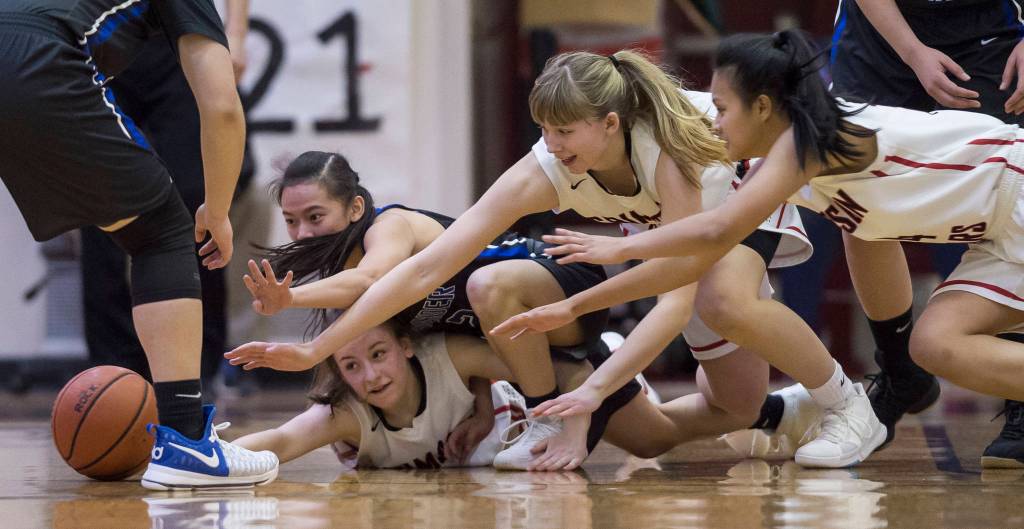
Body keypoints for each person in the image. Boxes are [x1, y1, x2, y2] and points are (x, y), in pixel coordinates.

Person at [228, 50, 883, 469]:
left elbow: (676, 293)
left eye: (564, 131)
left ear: (609, 125)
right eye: (544, 129)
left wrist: (592, 391)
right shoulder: (547, 165)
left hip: (743, 195)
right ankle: (781, 409)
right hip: (656, 248)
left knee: (723, 298)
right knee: (728, 407)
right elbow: (423, 271)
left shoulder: (671, 155)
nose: (552, 144)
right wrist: (315, 350)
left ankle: (848, 403)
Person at [510, 29, 1024, 468]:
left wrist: (615, 251)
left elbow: (712, 232)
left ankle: (852, 407)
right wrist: (576, 305)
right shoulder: (781, 158)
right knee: (934, 346)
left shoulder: (811, 141)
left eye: (723, 109)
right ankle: (854, 398)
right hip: (999, 239)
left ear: (762, 107)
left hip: (1017, 191)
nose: (714, 122)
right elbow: (695, 252)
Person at [0, 0, 277, 489]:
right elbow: (221, 107)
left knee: (128, 223)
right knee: (163, 232)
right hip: (37, 61)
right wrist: (216, 212)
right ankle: (187, 441)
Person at [242, 150, 629, 470]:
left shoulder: (389, 226)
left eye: (315, 216)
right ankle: (606, 369)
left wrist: (290, 299)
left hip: (565, 284)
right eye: (291, 221)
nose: (303, 233)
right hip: (528, 337)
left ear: (356, 207)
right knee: (650, 437)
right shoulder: (341, 273)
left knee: (485, 286)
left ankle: (545, 417)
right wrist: (482, 409)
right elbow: (458, 332)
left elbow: (370, 279)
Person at [822, 0, 1024, 449]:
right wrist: (913, 52)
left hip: (989, 26)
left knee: (1003, 184)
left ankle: (1018, 387)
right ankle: (901, 372)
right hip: (878, 33)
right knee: (858, 195)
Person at [233, 322, 693, 470]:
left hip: (534, 408)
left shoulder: (447, 355)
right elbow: (280, 441)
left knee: (653, 440)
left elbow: (570, 370)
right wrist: (205, 455)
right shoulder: (347, 415)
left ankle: (616, 351)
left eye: (378, 354)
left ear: (405, 346)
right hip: (488, 457)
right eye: (352, 366)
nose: (371, 376)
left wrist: (575, 426)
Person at [81, 0, 252, 388]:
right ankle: (113, 375)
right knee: (99, 203)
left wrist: (237, 33)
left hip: (175, 32)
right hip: (95, 36)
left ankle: (199, 369)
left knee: (197, 198)